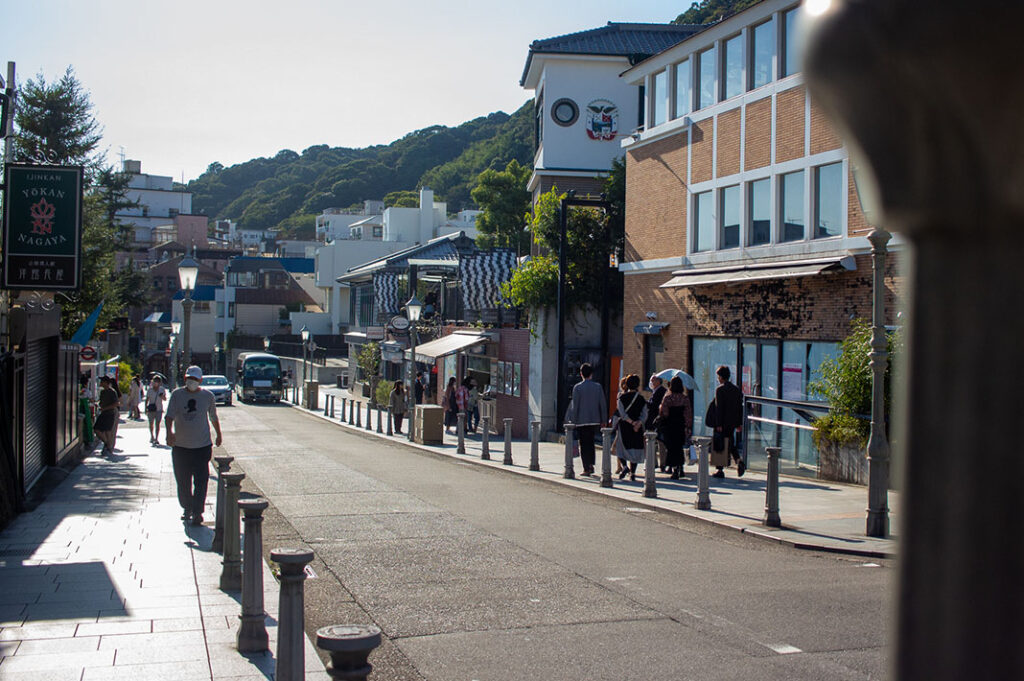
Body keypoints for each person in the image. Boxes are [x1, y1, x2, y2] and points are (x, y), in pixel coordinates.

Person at [165, 366, 222, 526]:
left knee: (201, 480)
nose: (192, 382)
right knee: (183, 480)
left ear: (200, 380)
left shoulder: (207, 396)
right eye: (190, 378)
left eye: (195, 379)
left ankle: (197, 512)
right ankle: (187, 507)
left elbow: (213, 416)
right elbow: (169, 416)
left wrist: (218, 434)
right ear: (185, 378)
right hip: (181, 446)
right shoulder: (177, 395)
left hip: (202, 446)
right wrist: (169, 433)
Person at [565, 363, 608, 477]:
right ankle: (591, 464)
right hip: (594, 419)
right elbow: (602, 404)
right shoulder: (598, 387)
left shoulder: (577, 387)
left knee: (584, 444)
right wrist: (603, 420)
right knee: (591, 442)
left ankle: (586, 467)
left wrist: (573, 421)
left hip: (581, 420)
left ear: (581, 374)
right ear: (591, 374)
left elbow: (575, 406)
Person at [707, 365, 745, 478]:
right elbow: (739, 408)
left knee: (720, 444)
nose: (718, 378)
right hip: (732, 422)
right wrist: (738, 423)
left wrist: (718, 423)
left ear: (721, 377)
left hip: (722, 422)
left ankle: (720, 469)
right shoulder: (736, 390)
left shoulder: (720, 389)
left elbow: (719, 408)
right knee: (731, 443)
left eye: (718, 376)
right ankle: (738, 460)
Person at [614, 374, 647, 480]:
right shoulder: (641, 399)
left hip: (625, 427)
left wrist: (631, 422)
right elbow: (645, 414)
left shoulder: (621, 398)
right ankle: (633, 473)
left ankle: (624, 467)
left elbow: (622, 414)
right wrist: (638, 423)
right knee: (635, 449)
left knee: (621, 449)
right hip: (637, 428)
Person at [659, 376, 693, 480]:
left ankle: (674, 469)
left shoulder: (668, 398)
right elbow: (688, 414)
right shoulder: (685, 398)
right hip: (680, 425)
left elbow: (664, 413)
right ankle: (680, 467)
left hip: (670, 425)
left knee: (671, 448)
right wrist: (688, 426)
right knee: (679, 446)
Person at [93, 376, 120, 456]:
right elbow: (100, 402)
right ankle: (107, 444)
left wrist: (105, 408)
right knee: (96, 429)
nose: (100, 383)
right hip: (103, 413)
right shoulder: (102, 392)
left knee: (108, 431)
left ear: (106, 382)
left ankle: (108, 447)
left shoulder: (112, 392)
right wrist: (95, 402)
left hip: (110, 413)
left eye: (102, 381)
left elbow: (116, 403)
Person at [646, 375, 668, 472]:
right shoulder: (656, 391)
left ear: (658, 381)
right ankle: (657, 463)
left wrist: (646, 403)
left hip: (656, 420)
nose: (651, 382)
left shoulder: (660, 391)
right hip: (655, 420)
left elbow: (654, 405)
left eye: (653, 380)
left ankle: (659, 463)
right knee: (657, 442)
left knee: (658, 442)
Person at [146, 376, 168, 445]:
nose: (155, 383)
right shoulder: (150, 390)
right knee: (151, 423)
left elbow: (165, 399)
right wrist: (145, 408)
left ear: (159, 383)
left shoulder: (162, 389)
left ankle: (156, 438)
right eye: (154, 381)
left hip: (159, 409)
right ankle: (152, 436)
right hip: (151, 409)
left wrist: (162, 396)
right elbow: (147, 399)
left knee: (157, 424)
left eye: (156, 382)